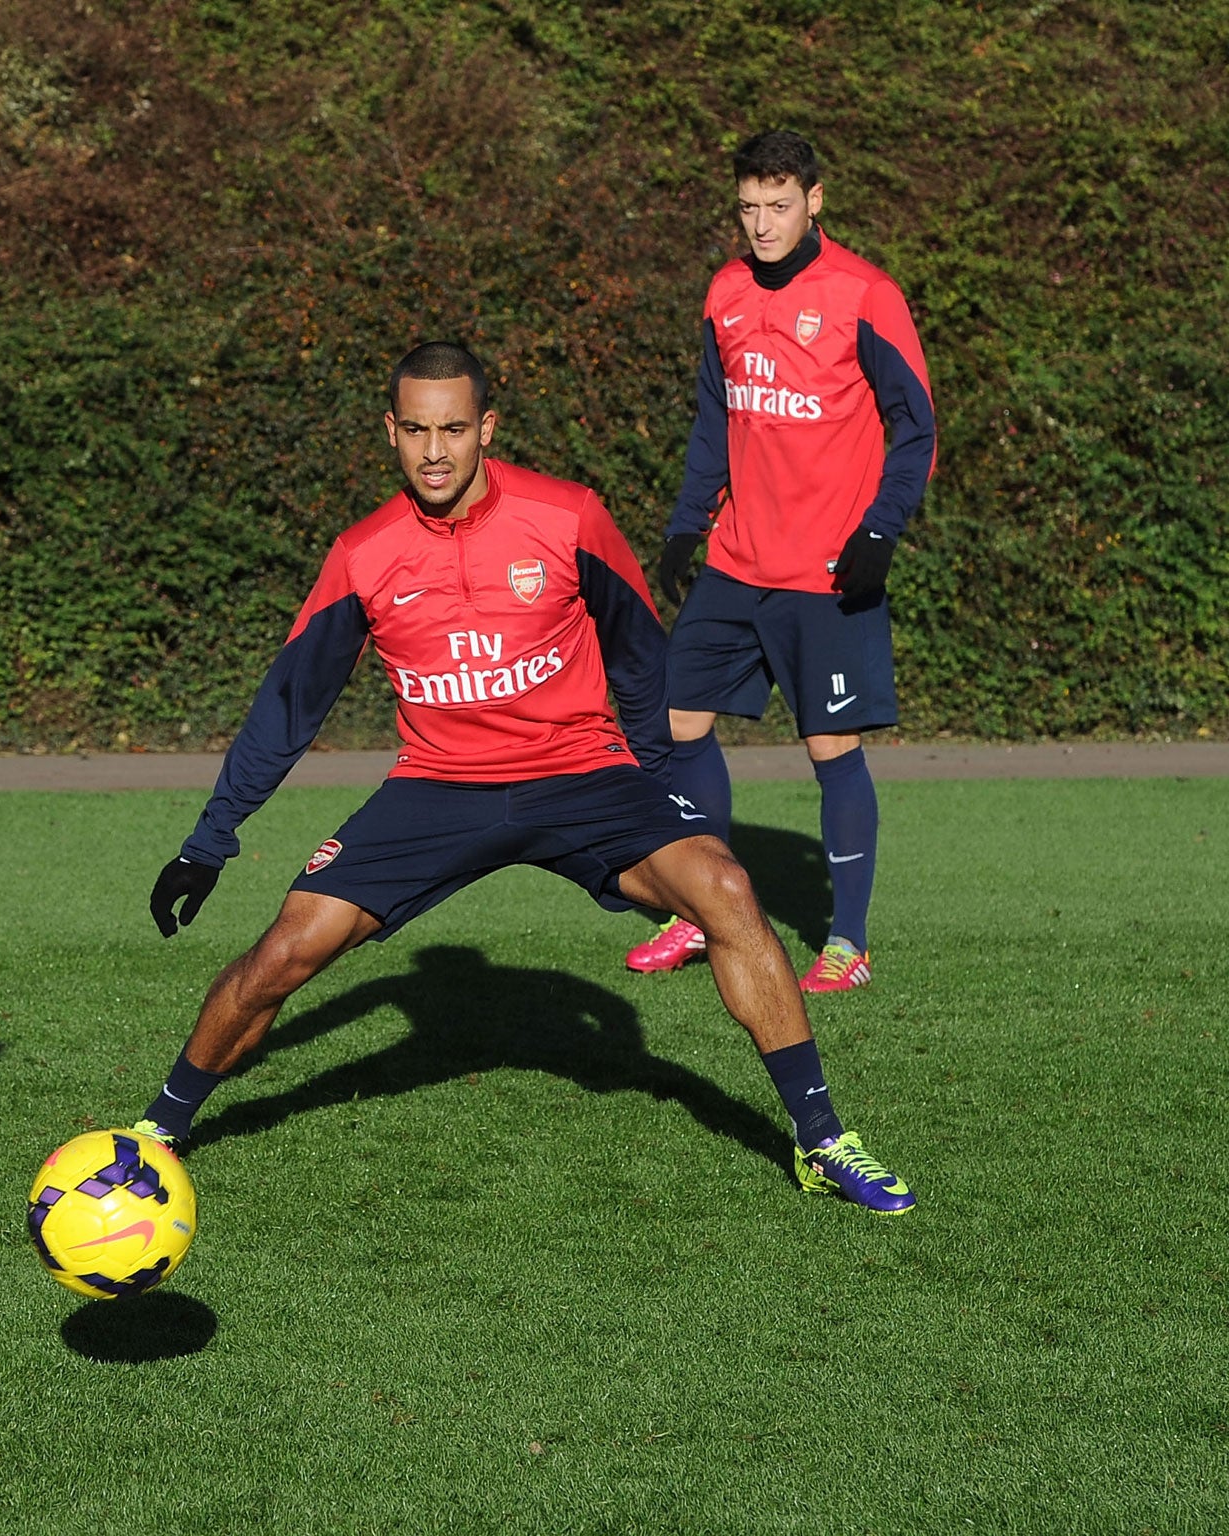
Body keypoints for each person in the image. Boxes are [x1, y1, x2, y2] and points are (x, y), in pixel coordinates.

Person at [137, 342, 914, 1216]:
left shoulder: (568, 516)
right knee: (284, 951)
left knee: (728, 888)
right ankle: (156, 1135)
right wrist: (208, 844)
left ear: (488, 429)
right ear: (391, 432)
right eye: (418, 431)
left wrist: (668, 794)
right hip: (436, 789)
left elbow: (641, 662)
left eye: (456, 429)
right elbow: (288, 707)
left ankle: (821, 1141)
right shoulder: (363, 556)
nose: (436, 451)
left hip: (581, 774)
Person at [629, 129, 937, 991]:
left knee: (829, 747)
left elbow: (916, 425)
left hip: (825, 571)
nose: (761, 224)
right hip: (736, 561)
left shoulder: (865, 294)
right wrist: (687, 524)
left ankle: (847, 944)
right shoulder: (725, 290)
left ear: (814, 199)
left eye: (778, 205)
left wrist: (880, 531)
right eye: (748, 207)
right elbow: (712, 420)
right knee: (672, 724)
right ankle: (701, 915)